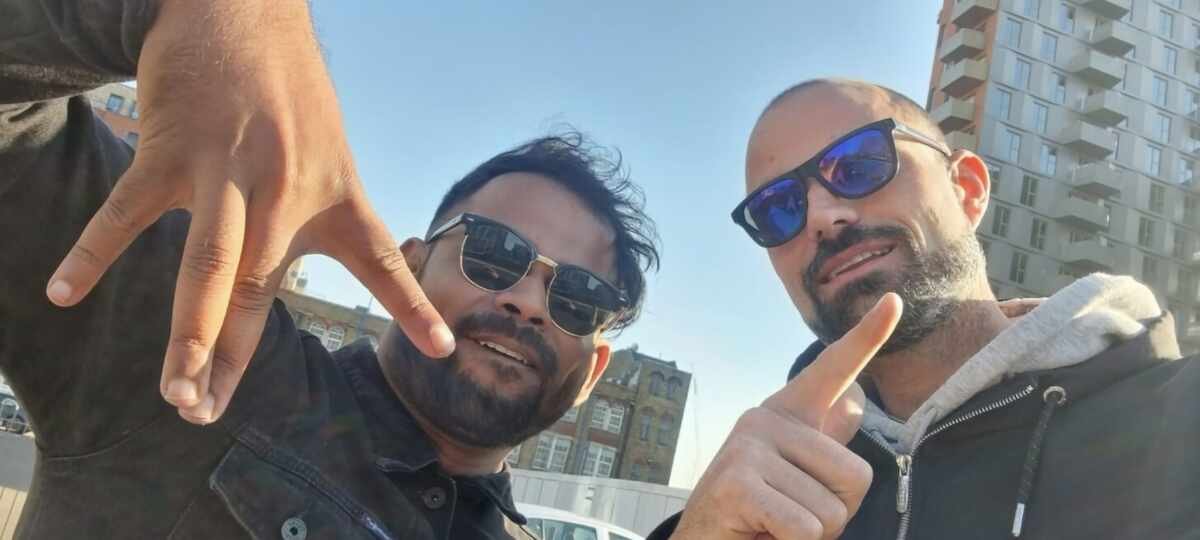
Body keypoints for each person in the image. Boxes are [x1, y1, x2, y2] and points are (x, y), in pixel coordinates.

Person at [0, 1, 658, 538]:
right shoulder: (200, 359)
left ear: (591, 375)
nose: (529, 302)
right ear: (410, 264)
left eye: (579, 298)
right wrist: (212, 12)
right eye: (495, 252)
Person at [649, 78, 1200, 539]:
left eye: (859, 165)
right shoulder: (749, 504)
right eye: (777, 209)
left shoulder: (1176, 426)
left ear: (967, 189)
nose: (821, 217)